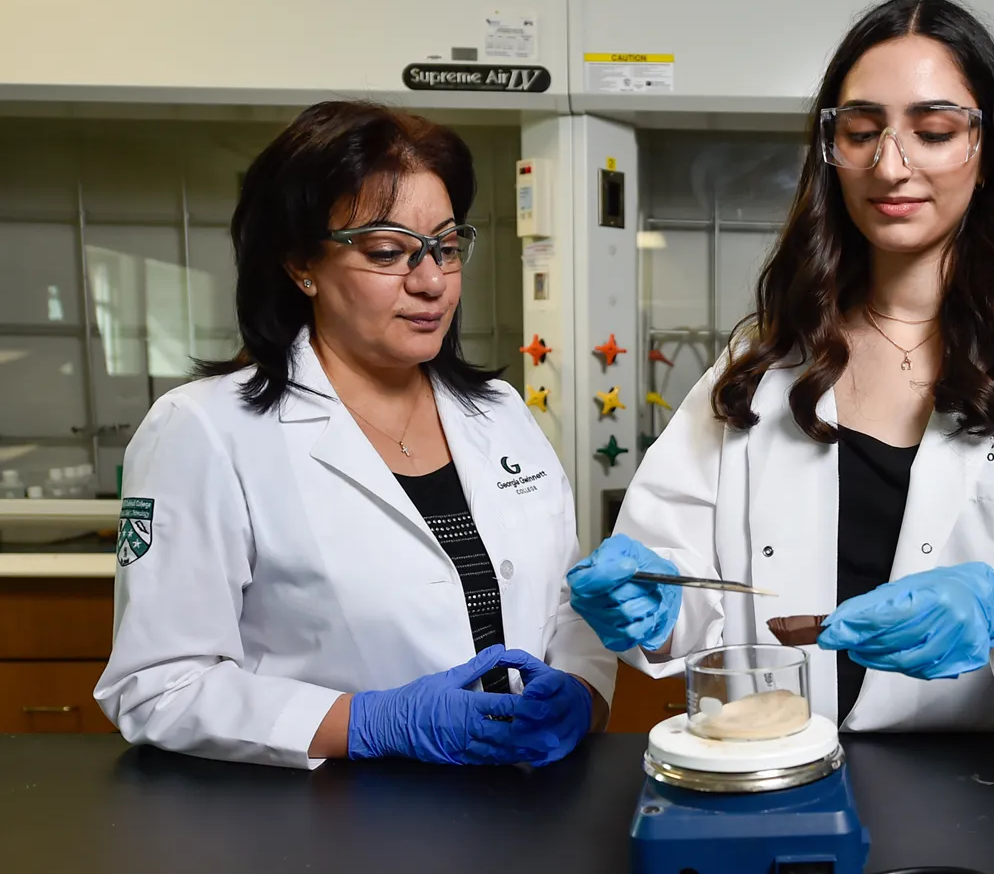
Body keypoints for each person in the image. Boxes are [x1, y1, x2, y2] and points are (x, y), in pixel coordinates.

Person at [566, 0, 994, 731]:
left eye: (934, 130)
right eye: (862, 131)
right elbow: (683, 595)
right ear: (833, 150)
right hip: (788, 771)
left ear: (986, 152)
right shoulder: (763, 358)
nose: (892, 165)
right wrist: (643, 597)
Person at [95, 101, 614, 768]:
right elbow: (156, 687)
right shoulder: (207, 431)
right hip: (332, 822)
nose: (431, 281)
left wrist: (578, 689)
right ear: (299, 264)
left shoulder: (499, 410)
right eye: (387, 251)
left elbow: (566, 603)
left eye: (447, 247)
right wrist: (368, 722)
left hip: (527, 806)